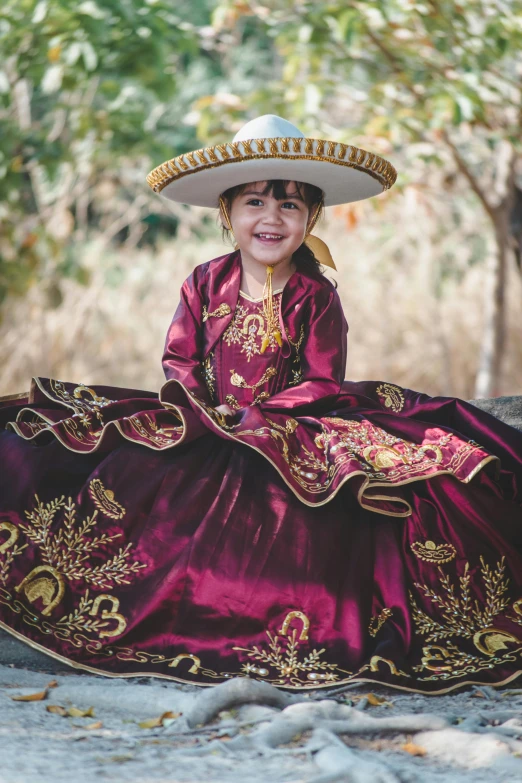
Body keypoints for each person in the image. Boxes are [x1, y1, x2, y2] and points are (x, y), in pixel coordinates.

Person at [0, 114, 521, 694]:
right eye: (254, 202)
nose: (271, 219)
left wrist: (256, 419)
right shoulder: (204, 281)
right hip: (202, 420)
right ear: (228, 211)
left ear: (311, 219)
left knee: (311, 509)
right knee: (81, 455)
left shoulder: (315, 294)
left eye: (291, 207)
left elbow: (324, 380)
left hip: (286, 425)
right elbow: (178, 358)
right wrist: (197, 407)